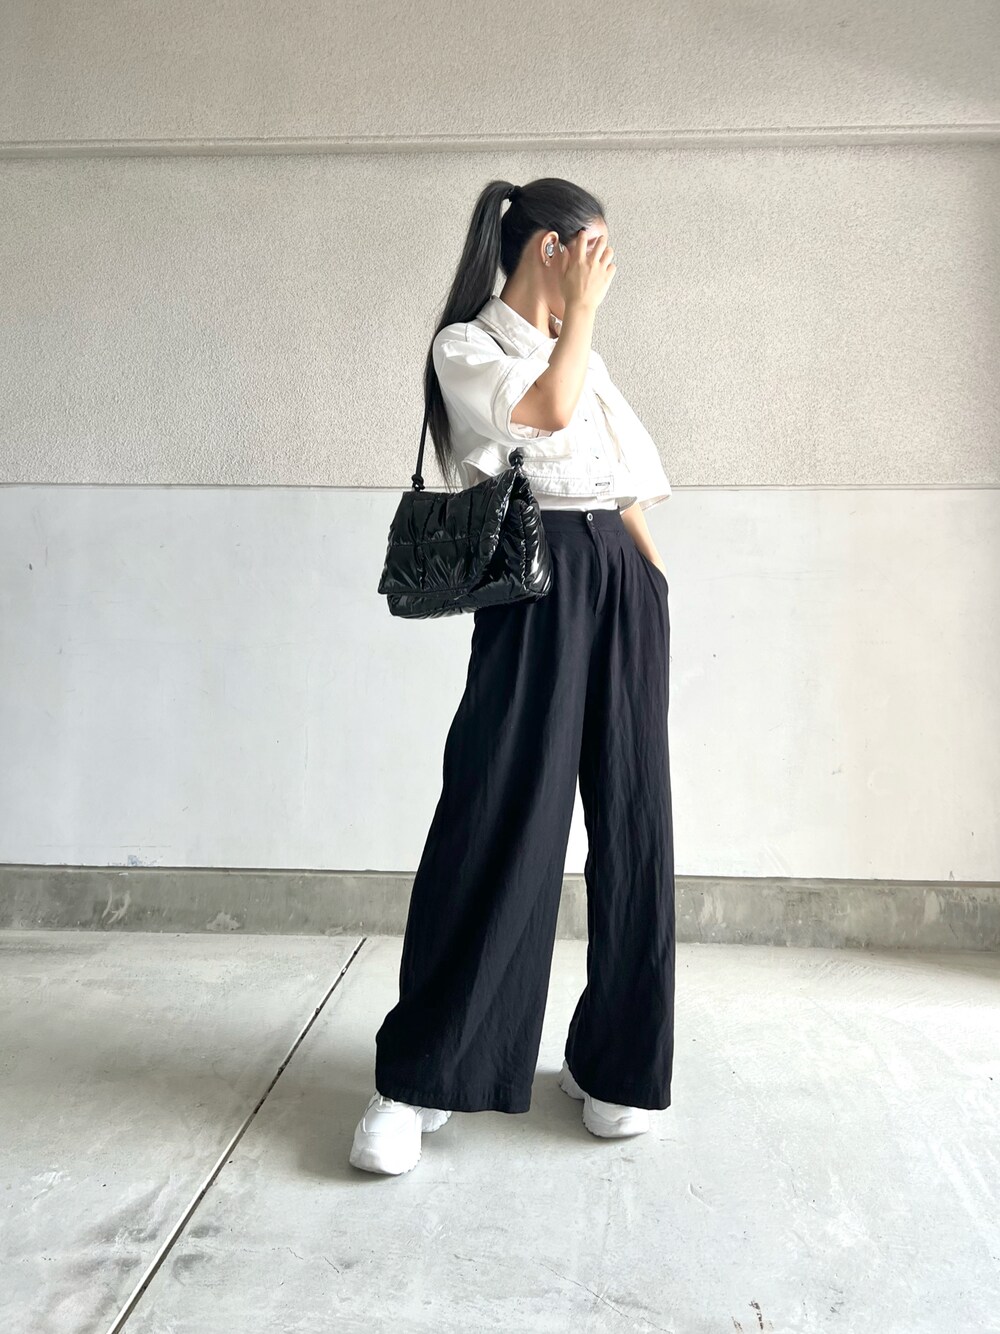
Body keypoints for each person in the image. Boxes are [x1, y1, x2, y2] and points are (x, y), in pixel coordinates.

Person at [350, 176, 675, 1176]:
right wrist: (580, 316)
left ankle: (615, 1064)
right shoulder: (467, 346)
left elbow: (621, 479)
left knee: (633, 819)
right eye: (595, 250)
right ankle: (421, 1076)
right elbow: (543, 413)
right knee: (499, 815)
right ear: (550, 249)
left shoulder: (584, 350)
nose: (607, 270)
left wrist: (652, 574)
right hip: (536, 583)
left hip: (620, 582)